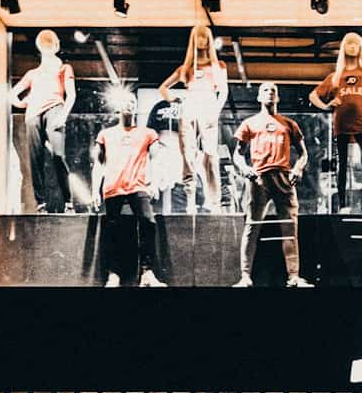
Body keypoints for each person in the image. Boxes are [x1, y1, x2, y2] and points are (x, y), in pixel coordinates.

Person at [232, 82, 313, 288]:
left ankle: (293, 276)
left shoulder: (288, 124)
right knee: (252, 226)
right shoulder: (250, 123)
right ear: (259, 97)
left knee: (290, 227)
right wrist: (245, 168)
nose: (270, 93)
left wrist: (297, 169)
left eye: (273, 91)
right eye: (265, 90)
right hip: (259, 178)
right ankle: (245, 276)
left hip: (283, 177)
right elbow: (237, 154)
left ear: (277, 98)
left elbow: (303, 153)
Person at [92, 91, 167, 288]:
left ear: (136, 107)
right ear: (118, 106)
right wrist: (94, 190)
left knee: (148, 222)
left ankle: (147, 273)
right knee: (112, 229)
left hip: (137, 185)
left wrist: (155, 181)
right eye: (125, 101)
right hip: (113, 186)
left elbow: (157, 158)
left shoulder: (148, 133)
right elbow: (98, 164)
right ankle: (114, 274)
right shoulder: (105, 134)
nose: (129, 105)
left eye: (132, 101)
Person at [158, 25, 228, 213]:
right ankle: (190, 201)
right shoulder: (186, 68)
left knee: (211, 155)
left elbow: (224, 91)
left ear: (209, 40)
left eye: (204, 37)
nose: (201, 41)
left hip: (208, 107)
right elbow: (163, 87)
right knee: (187, 155)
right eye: (198, 37)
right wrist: (174, 99)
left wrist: (215, 111)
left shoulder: (218, 66)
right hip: (190, 107)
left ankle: (214, 202)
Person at [309, 32, 362, 214]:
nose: (352, 47)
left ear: (360, 48)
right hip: (341, 125)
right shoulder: (335, 76)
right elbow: (313, 95)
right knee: (341, 164)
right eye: (349, 43)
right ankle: (342, 204)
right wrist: (326, 105)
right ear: (343, 47)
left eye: (356, 44)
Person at [9, 29, 76, 213]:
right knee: (35, 159)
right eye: (44, 45)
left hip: (55, 109)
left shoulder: (64, 69)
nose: (48, 48)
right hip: (33, 114)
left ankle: (68, 202)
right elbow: (12, 94)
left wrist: (63, 116)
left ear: (56, 46)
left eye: (51, 45)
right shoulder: (33, 73)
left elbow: (71, 95)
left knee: (58, 155)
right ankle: (41, 203)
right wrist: (22, 103)